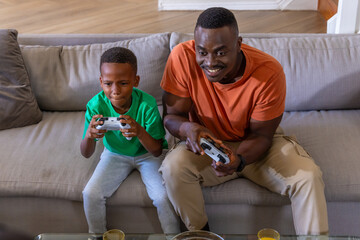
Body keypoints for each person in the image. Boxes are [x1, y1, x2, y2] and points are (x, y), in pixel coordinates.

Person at [159, 7, 328, 235]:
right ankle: (201, 235)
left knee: (308, 177)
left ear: (239, 44)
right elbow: (170, 117)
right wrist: (188, 127)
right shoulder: (181, 57)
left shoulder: (268, 71)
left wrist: (238, 160)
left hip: (257, 147)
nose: (210, 62)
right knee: (173, 167)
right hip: (209, 147)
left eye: (220, 52)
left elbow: (262, 136)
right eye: (202, 52)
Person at [80, 47, 180, 234]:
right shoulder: (95, 105)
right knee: (90, 194)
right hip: (114, 154)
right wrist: (90, 136)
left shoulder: (147, 104)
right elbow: (86, 153)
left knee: (162, 197)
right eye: (108, 84)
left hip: (147, 155)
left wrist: (139, 132)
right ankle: (97, 236)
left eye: (123, 83)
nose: (115, 91)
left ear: (136, 81)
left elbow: (157, 150)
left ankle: (172, 236)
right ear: (101, 82)